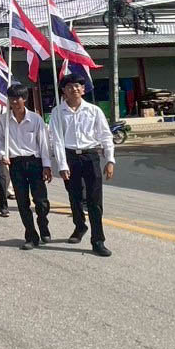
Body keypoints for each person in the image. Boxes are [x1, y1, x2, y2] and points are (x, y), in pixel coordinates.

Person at [50, 73, 116, 257]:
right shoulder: (57, 112)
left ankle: (98, 240)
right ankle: (79, 226)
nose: (74, 89)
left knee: (95, 201)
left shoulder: (94, 111)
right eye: (69, 86)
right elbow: (57, 140)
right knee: (75, 196)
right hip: (70, 157)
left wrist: (110, 160)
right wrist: (62, 165)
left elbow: (105, 136)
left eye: (77, 86)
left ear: (83, 89)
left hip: (90, 157)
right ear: (63, 91)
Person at [2, 82, 55, 247]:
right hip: (15, 163)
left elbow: (43, 143)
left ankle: (43, 226)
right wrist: (2, 154)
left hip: (34, 162)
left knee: (41, 201)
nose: (14, 102)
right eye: (11, 98)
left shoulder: (35, 119)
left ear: (24, 99)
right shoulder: (3, 120)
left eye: (18, 98)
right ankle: (31, 236)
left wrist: (46, 165)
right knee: (22, 202)